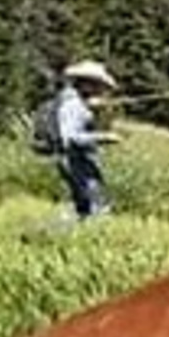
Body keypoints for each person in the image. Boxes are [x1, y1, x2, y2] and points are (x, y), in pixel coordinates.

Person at [53, 58, 116, 219]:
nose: (101, 89)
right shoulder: (74, 105)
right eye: (98, 84)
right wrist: (104, 137)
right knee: (98, 205)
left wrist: (90, 108)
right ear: (86, 83)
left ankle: (59, 238)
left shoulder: (71, 100)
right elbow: (71, 137)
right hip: (76, 160)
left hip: (69, 159)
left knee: (81, 205)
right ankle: (96, 238)